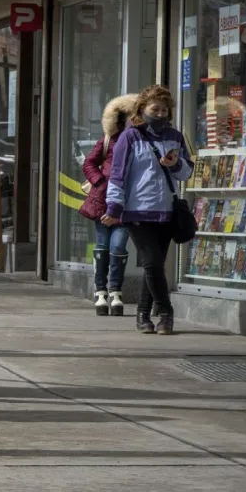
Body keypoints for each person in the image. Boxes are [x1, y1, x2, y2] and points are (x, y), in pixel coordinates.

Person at [103, 85, 193, 335]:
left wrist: (176, 165)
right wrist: (113, 208)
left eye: (165, 109)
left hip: (166, 211)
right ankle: (166, 313)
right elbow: (118, 175)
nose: (161, 113)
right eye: (156, 109)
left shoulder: (175, 136)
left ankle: (143, 315)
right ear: (142, 109)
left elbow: (187, 172)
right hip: (137, 211)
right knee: (152, 263)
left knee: (153, 266)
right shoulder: (130, 137)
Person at [79, 94, 136, 316]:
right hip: (102, 201)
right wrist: (100, 181)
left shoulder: (139, 141)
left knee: (118, 246)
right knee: (103, 246)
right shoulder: (107, 140)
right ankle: (101, 291)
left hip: (126, 202)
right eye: (126, 119)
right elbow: (89, 163)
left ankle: (115, 292)